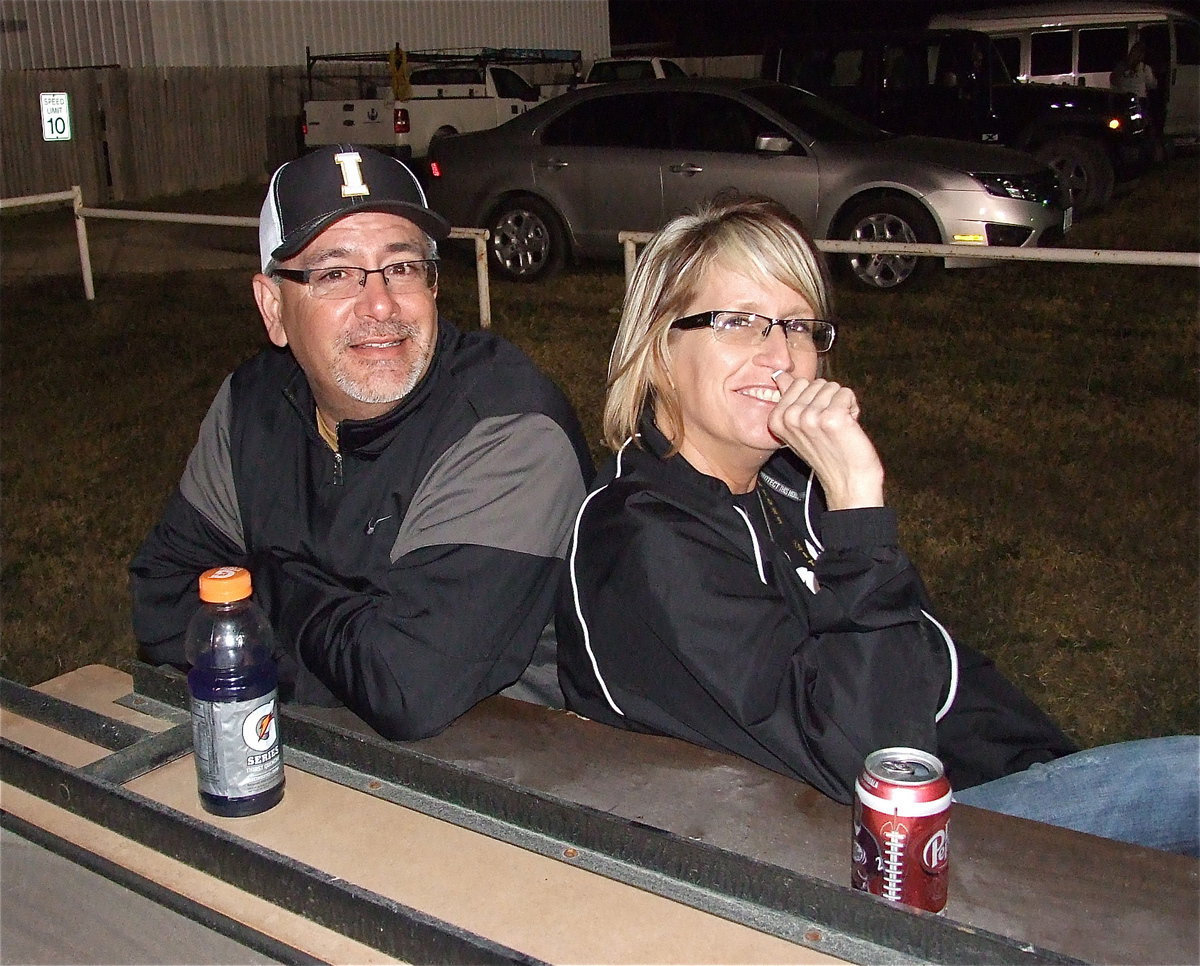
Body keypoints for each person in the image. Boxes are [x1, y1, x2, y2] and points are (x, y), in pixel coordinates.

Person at [556, 196, 1198, 855]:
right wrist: (858, 507)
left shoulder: (783, 490)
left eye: (799, 326)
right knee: (1187, 782)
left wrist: (1042, 761)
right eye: (740, 322)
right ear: (660, 347)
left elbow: (928, 662)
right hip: (845, 858)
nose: (781, 356)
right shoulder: (641, 540)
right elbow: (872, 763)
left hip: (934, 797)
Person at [131, 144, 593, 739]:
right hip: (290, 747)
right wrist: (347, 652)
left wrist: (263, 586)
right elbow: (160, 603)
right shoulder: (250, 406)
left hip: (504, 768)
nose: (380, 304)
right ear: (273, 308)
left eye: (402, 267)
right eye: (335, 274)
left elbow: (407, 685)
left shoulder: (507, 429)